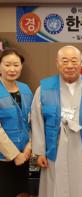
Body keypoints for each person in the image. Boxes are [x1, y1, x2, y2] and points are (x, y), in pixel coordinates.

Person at [31, 45, 82, 197]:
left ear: (81, 62)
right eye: (64, 61)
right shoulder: (44, 88)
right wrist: (39, 152)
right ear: (57, 63)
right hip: (56, 143)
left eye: (74, 61)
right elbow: (37, 121)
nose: (69, 65)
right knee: (56, 184)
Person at [0, 48, 32, 197]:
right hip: (4, 158)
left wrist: (28, 148)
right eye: (7, 65)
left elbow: (33, 121)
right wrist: (14, 155)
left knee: (23, 193)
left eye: (16, 64)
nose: (12, 69)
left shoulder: (25, 89)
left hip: (24, 155)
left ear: (21, 66)